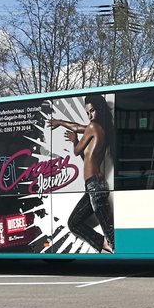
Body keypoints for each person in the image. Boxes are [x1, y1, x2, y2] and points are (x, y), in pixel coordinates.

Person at [48, 94, 115, 254]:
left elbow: (78, 150)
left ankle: (113, 247)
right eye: (87, 113)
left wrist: (74, 141)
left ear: (99, 109)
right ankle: (102, 243)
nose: (90, 115)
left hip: (95, 186)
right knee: (74, 223)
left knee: (110, 232)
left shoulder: (94, 128)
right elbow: (78, 128)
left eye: (92, 111)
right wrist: (61, 123)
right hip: (93, 186)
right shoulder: (97, 129)